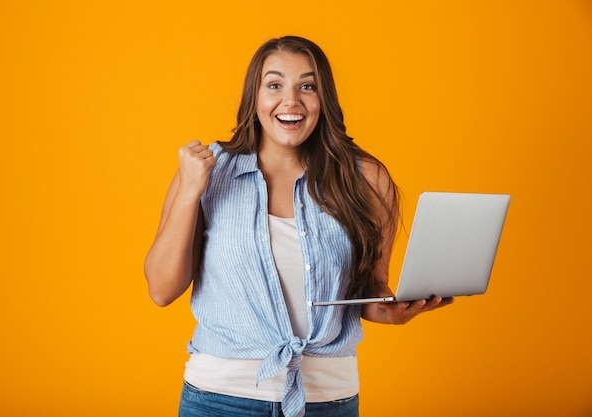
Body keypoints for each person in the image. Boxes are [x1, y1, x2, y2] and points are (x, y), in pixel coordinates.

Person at [144, 35, 454, 417]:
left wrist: (394, 311)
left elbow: (370, 292)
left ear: (324, 99)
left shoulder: (367, 179)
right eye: (275, 85)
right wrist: (191, 190)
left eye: (307, 87)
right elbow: (161, 289)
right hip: (220, 399)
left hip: (329, 400)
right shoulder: (209, 170)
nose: (291, 101)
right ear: (253, 97)